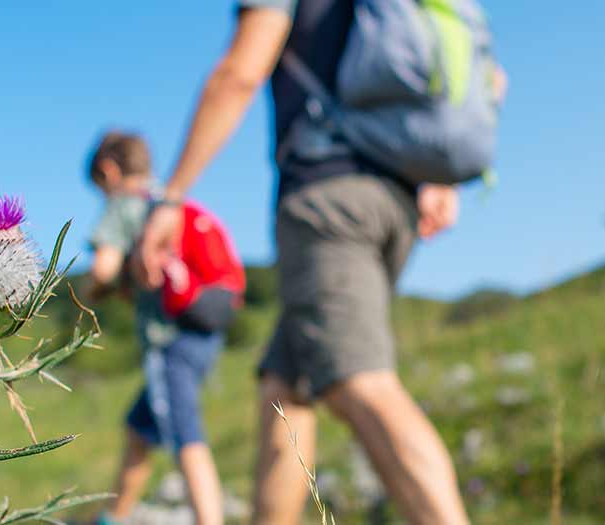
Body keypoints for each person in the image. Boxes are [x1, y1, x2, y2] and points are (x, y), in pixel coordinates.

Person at [132, 2, 506, 524]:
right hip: (394, 201)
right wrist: (435, 173)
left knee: (358, 381)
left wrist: (170, 197)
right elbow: (491, 79)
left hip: (329, 202)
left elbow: (239, 75)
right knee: (285, 387)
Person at [85, 131, 229, 525]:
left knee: (186, 436)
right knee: (139, 429)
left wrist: (95, 289)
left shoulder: (124, 206)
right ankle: (113, 517)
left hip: (170, 341)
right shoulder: (170, 201)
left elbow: (103, 268)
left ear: (110, 172)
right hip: (204, 329)